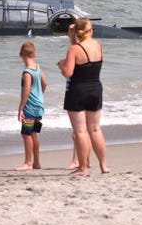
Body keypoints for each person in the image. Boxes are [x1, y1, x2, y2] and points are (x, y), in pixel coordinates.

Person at [57, 18, 109, 176]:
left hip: (78, 90)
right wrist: (73, 38)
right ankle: (103, 165)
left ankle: (83, 168)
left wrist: (61, 66)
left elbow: (68, 73)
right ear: (90, 31)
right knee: (95, 129)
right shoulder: (98, 45)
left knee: (80, 131)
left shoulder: (74, 49)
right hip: (95, 88)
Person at [15, 41, 47, 171]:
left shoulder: (27, 72)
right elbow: (45, 83)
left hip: (30, 107)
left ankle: (28, 162)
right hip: (39, 106)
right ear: (34, 54)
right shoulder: (37, 68)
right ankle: (37, 162)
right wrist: (40, 96)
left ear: (20, 54)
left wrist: (20, 108)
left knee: (26, 134)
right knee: (33, 134)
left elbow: (27, 90)